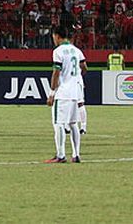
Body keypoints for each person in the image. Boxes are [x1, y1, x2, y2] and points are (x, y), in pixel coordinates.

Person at [45, 27, 86, 163]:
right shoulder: (76, 50)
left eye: (53, 37)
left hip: (63, 93)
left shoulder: (58, 51)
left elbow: (56, 73)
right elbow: (84, 67)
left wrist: (51, 93)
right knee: (73, 124)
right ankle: (76, 154)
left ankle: (61, 155)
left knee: (59, 124)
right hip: (75, 92)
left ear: (57, 36)